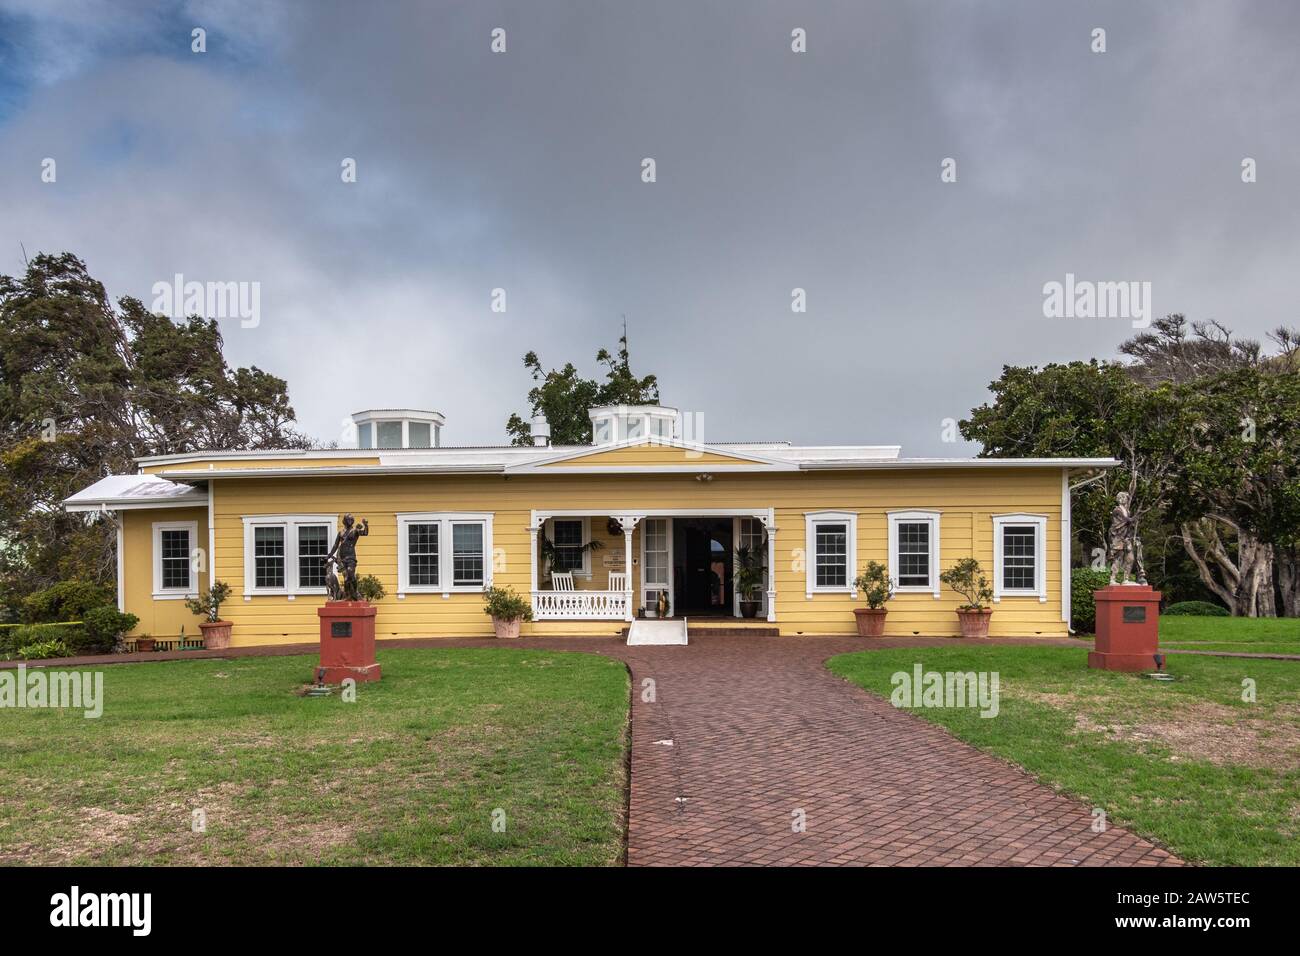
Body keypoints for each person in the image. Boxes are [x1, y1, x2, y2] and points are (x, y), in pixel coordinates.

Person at [326, 513, 369, 600]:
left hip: (351, 557)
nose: (349, 521)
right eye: (348, 520)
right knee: (346, 578)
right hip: (342, 558)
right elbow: (335, 545)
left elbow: (365, 533)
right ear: (344, 521)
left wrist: (366, 525)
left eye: (351, 520)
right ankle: (347, 595)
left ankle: (356, 592)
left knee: (351, 574)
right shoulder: (341, 532)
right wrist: (330, 554)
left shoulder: (355, 531)